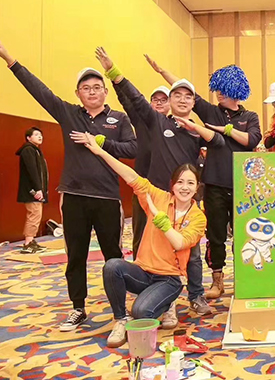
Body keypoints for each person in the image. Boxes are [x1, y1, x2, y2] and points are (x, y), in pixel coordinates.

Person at [0, 39, 137, 332]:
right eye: (86, 88)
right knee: (76, 256)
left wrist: (99, 141)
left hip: (107, 198)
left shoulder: (119, 119)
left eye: (97, 87)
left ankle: (119, 310)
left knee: (113, 257)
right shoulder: (69, 114)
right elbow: (39, 90)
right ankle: (78, 308)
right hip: (74, 196)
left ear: (105, 91)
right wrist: (9, 59)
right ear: (78, 93)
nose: (92, 92)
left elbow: (132, 148)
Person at [95, 47, 224, 321]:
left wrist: (195, 127)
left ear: (193, 102)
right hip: (155, 198)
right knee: (148, 245)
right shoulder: (156, 121)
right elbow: (135, 98)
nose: (183, 100)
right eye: (177, 95)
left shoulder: (196, 131)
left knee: (191, 252)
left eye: (188, 96)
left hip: (186, 198)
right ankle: (162, 297)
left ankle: (195, 295)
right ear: (170, 100)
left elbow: (219, 142)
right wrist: (113, 71)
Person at [145, 55, 262, 299]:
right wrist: (161, 71)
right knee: (215, 235)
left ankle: (245, 278)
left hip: (244, 185)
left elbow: (252, 140)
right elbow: (185, 89)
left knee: (245, 234)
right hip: (214, 184)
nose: (218, 93)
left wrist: (226, 130)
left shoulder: (250, 117)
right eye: (216, 88)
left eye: (223, 88)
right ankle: (217, 280)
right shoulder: (211, 111)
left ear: (236, 90)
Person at [78, 132, 205, 348]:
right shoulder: (159, 197)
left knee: (141, 311)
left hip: (169, 279)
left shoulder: (198, 217)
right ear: (172, 185)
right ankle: (120, 319)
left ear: (197, 187)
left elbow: (180, 243)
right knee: (113, 266)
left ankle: (167, 301)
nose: (185, 187)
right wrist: (100, 152)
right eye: (180, 182)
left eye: (190, 183)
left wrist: (160, 219)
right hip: (143, 272)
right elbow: (130, 176)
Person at [124, 83, 170, 260]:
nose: (158, 103)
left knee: (167, 231)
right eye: (155, 99)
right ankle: (139, 265)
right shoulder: (140, 121)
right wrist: (114, 77)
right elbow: (127, 100)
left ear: (170, 103)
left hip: (167, 188)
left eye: (163, 100)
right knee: (141, 231)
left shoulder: (175, 125)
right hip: (143, 186)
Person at [16, 127, 49, 254]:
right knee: (34, 215)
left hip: (36, 190)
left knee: (36, 215)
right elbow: (32, 171)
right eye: (36, 134)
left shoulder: (35, 151)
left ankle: (31, 241)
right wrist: (38, 189)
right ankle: (28, 243)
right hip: (32, 190)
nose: (40, 137)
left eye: (41, 134)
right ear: (28, 138)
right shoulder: (28, 150)